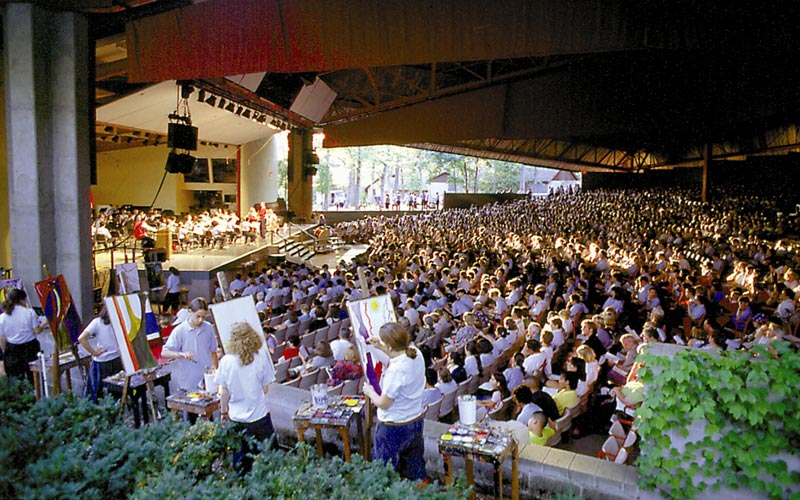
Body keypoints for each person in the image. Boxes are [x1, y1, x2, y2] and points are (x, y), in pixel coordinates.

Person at [362, 322, 427, 482]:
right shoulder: (416, 353)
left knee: (385, 473)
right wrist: (381, 347)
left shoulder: (396, 371)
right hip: (415, 420)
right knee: (415, 470)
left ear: (390, 346)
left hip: (394, 426)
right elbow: (398, 354)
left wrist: (369, 391)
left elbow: (384, 403)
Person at [215, 321, 276, 474]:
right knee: (269, 459)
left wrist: (224, 412)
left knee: (241, 463)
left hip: (237, 418)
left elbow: (224, 392)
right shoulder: (261, 357)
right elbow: (266, 388)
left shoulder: (226, 361)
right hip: (259, 415)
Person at [161, 297, 218, 392]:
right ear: (190, 312)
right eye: (198, 316)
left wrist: (216, 371)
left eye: (203, 317)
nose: (200, 320)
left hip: (206, 380)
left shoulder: (208, 328)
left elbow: (213, 352)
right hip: (187, 381)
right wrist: (181, 354)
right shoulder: (180, 330)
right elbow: (164, 353)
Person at [78, 305, 122, 402]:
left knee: (94, 392)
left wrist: (93, 352)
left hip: (104, 360)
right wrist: (94, 352)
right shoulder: (118, 321)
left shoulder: (97, 322)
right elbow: (81, 339)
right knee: (115, 392)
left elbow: (82, 338)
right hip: (115, 359)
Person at [0, 289, 46, 383]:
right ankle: (35, 395)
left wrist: (6, 352)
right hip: (30, 348)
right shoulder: (29, 312)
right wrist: (45, 323)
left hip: (12, 348)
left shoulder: (3, 317)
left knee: (15, 379)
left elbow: (2, 338)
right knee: (33, 378)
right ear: (22, 300)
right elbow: (37, 331)